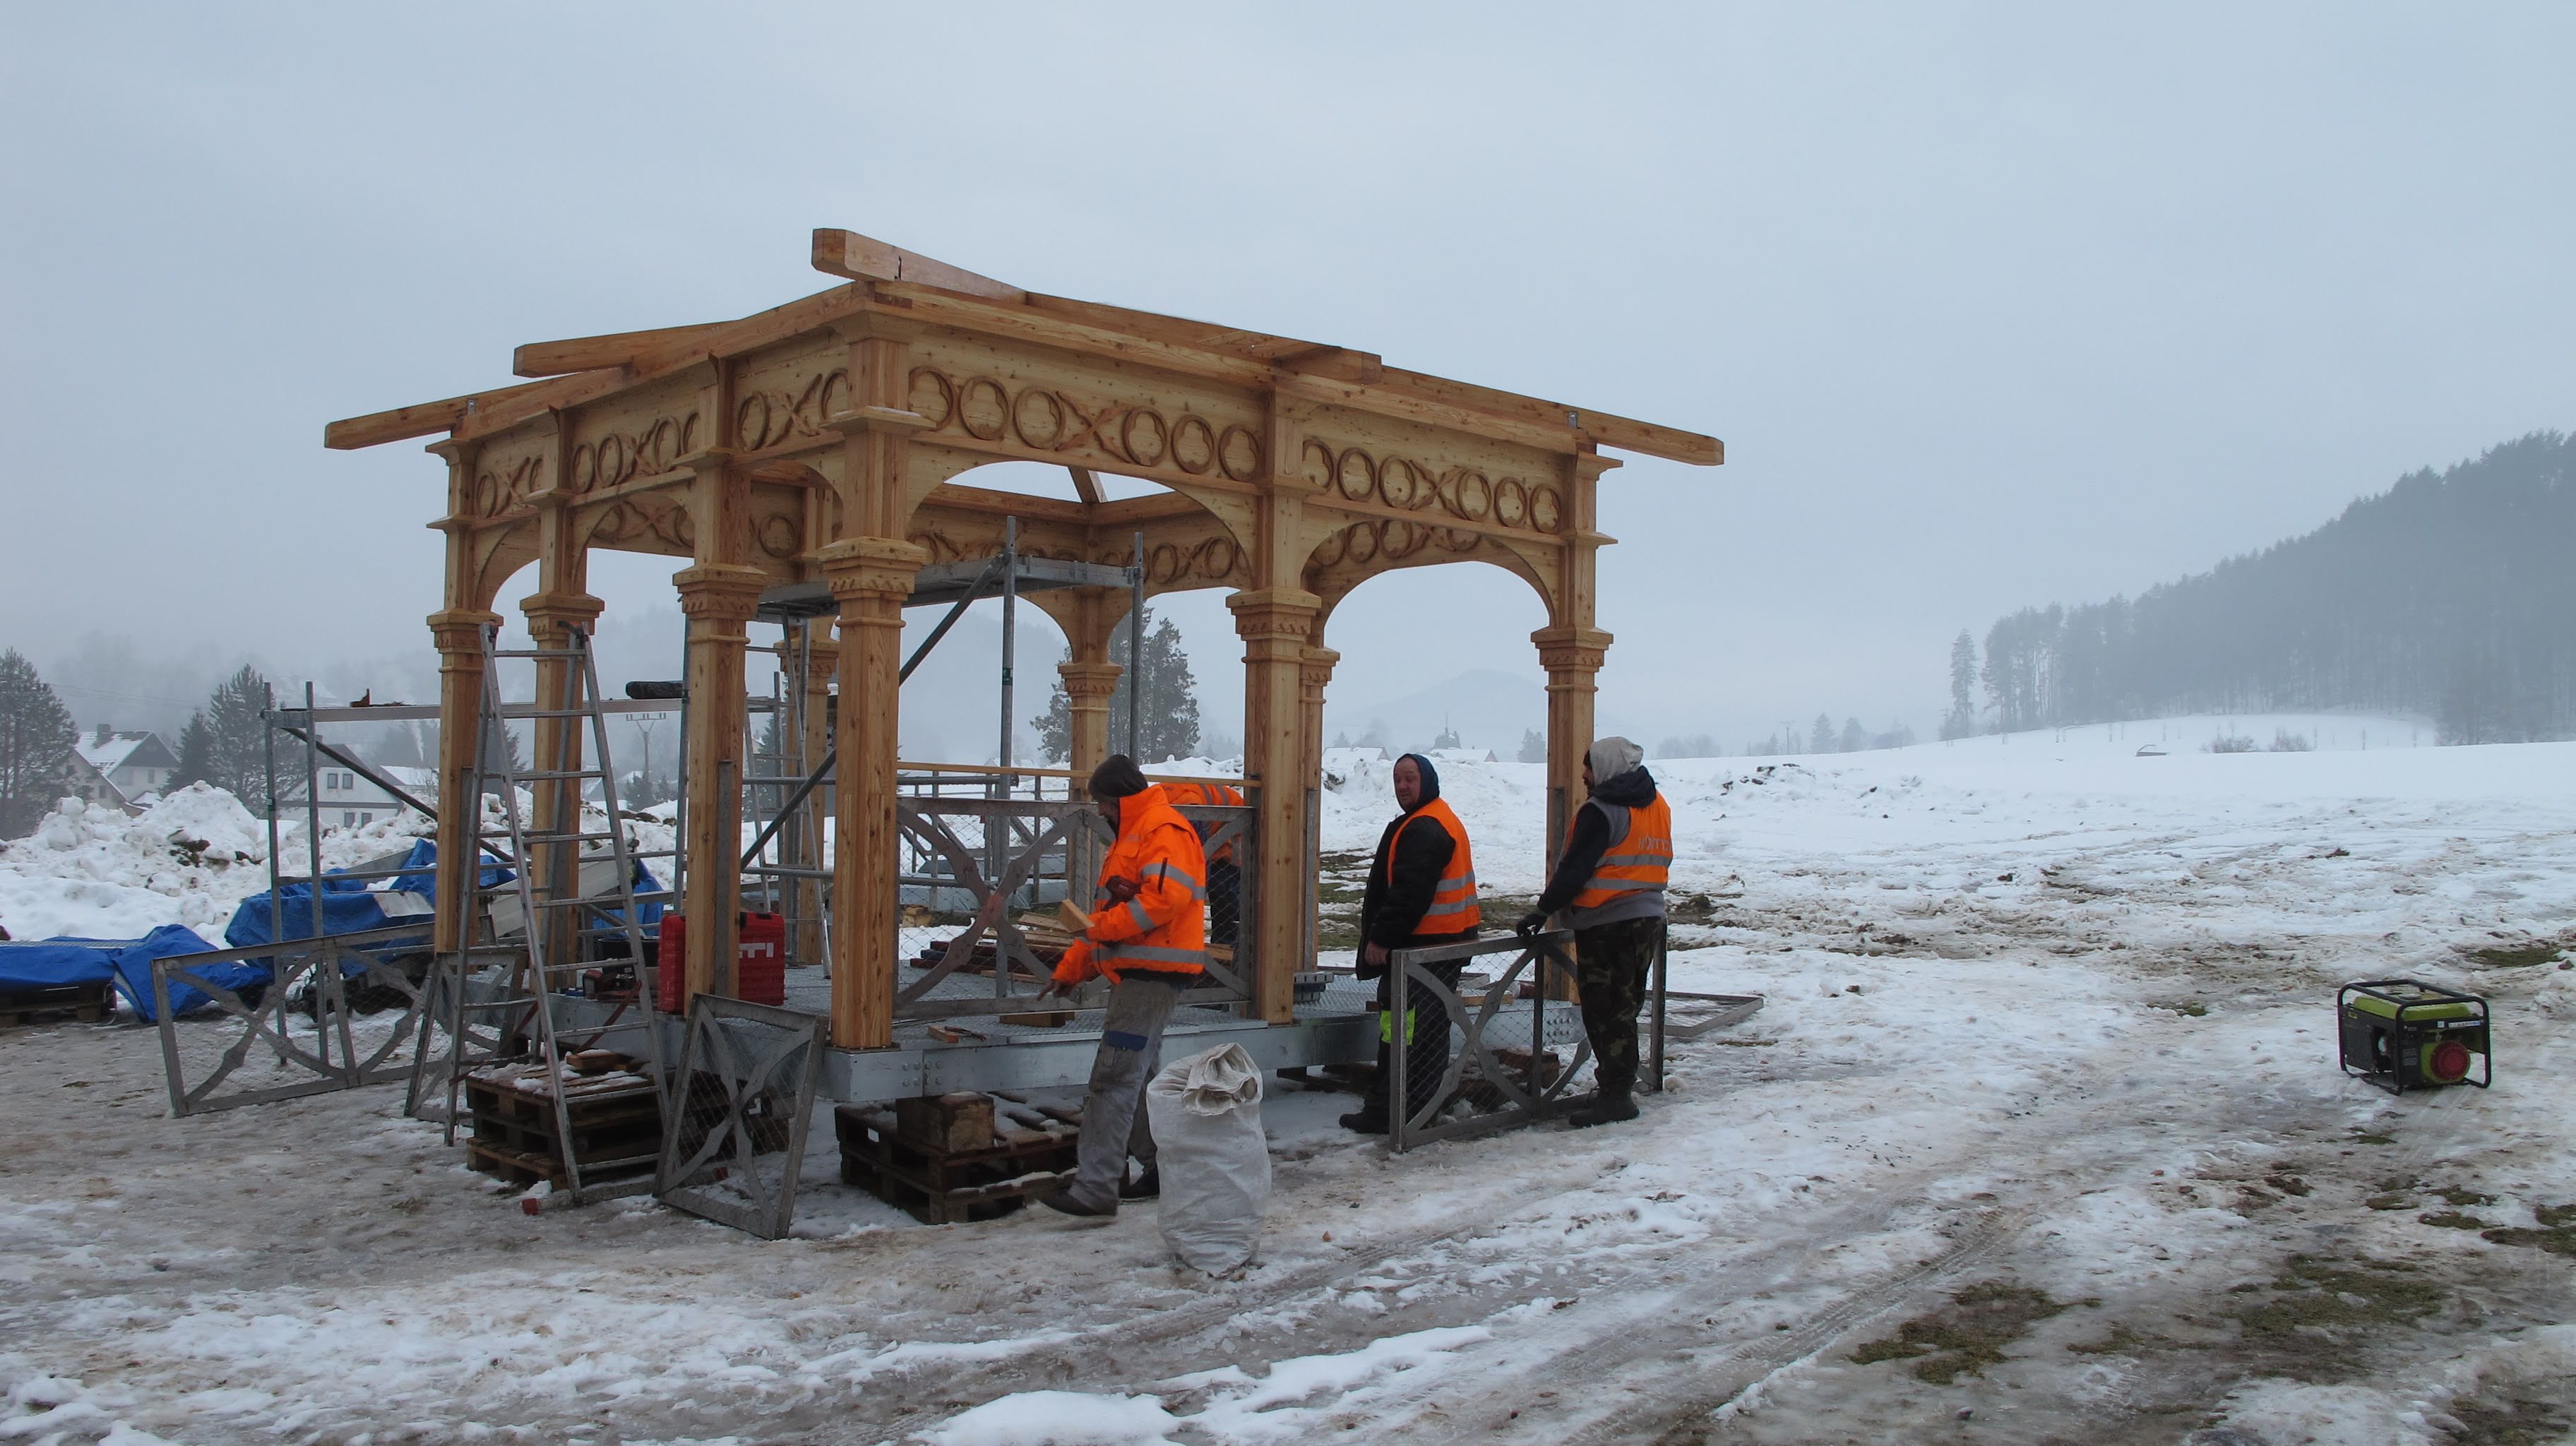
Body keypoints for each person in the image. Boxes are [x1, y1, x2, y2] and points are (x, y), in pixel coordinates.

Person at [1038, 755, 1210, 1217]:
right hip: (1144, 974)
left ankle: (1096, 1188)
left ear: (1118, 798)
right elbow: (1108, 919)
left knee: (1113, 1080)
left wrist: (1094, 935)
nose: (1099, 812)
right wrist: (1071, 968)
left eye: (1101, 803)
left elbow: (1161, 901)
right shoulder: (1140, 832)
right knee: (1139, 1077)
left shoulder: (1161, 830)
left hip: (1152, 976)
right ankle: (1159, 1169)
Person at [1517, 736, 1671, 1128]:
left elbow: (1574, 869)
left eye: (1588, 766)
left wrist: (1542, 910)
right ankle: (1617, 1087)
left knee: (1605, 1011)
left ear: (1605, 768)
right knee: (1626, 1005)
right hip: (1648, 917)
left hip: (1608, 923)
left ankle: (1616, 1096)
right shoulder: (1657, 805)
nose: (1584, 775)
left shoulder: (1601, 810)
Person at [1342, 752, 1481, 1135]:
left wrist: (1382, 939)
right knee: (1409, 1030)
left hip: (1422, 951)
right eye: (1398, 779)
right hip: (1433, 948)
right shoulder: (1433, 818)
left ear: (1427, 782)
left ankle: (1397, 1110)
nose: (1402, 786)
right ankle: (1408, 1108)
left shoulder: (1426, 827)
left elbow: (1409, 893)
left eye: (1410, 779)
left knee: (1409, 1034)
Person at [1159, 779, 1246, 947]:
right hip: (1217, 830)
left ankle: (1227, 946)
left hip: (1233, 832)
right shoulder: (1161, 803)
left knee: (1223, 890)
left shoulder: (1186, 806)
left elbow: (1194, 847)